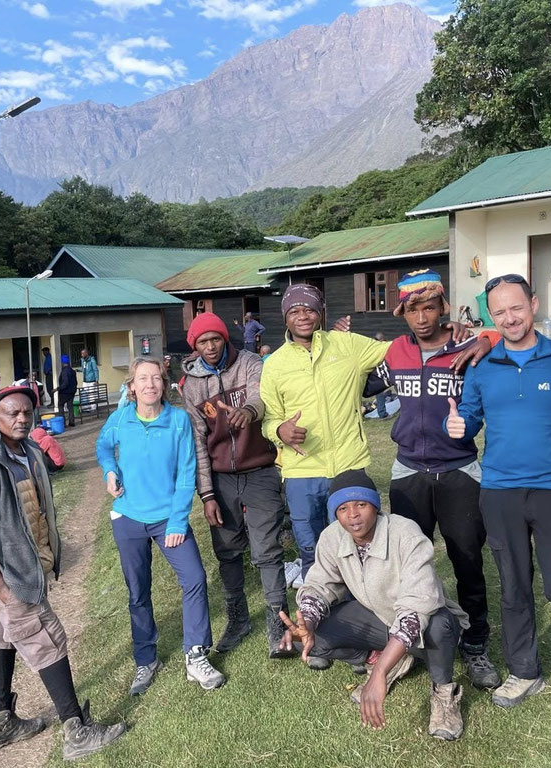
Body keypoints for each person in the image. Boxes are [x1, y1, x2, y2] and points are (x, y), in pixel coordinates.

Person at [446, 274, 551, 714]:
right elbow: (469, 417)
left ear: (534, 304)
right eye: (499, 312)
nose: (509, 318)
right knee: (513, 587)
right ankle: (523, 670)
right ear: (491, 316)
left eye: (516, 308)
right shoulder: (482, 365)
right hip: (500, 492)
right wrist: (458, 426)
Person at [0, 385, 126, 760]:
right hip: (8, 579)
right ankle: (76, 731)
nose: (21, 419)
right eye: (12, 413)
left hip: (23, 570)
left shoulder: (28, 450)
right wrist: (3, 590)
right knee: (48, 639)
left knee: (4, 638)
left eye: (26, 413)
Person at [365, 269, 500, 691]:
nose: (421, 318)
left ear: (443, 307)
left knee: (467, 560)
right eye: (412, 310)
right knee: (406, 564)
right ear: (402, 314)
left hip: (459, 470)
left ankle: (475, 644)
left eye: (429, 308)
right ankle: (409, 642)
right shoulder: (396, 352)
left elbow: (512, 338)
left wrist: (487, 336)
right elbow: (364, 382)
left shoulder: (466, 347)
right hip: (409, 472)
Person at [280, 470, 469, 741]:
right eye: (343, 508)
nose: (353, 515)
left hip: (425, 623)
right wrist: (307, 622)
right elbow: (320, 584)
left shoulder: (405, 533)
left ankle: (443, 694)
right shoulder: (332, 537)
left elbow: (418, 606)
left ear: (376, 506)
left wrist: (378, 675)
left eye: (361, 504)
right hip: (380, 618)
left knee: (439, 624)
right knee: (308, 641)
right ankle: (392, 659)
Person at [96, 356, 227, 696]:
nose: (150, 384)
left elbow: (186, 473)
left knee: (194, 578)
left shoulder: (178, 420)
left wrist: (178, 521)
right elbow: (103, 447)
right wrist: (110, 470)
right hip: (128, 518)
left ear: (164, 384)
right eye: (143, 378)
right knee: (138, 591)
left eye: (156, 377)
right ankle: (146, 659)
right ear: (132, 386)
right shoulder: (120, 418)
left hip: (167, 518)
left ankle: (195, 654)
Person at [180, 313, 295, 658]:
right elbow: (198, 442)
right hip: (220, 479)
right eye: (203, 342)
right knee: (227, 551)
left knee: (267, 551)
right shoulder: (191, 386)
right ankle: (238, 619)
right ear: (195, 346)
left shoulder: (248, 362)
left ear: (224, 338)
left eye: (215, 339)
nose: (210, 346)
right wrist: (207, 495)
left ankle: (278, 625)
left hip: (259, 469)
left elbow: (260, 396)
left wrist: (248, 410)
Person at [259, 283, 389, 586]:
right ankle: (319, 611)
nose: (302, 316)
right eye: (294, 311)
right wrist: (280, 430)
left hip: (348, 465)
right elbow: (268, 420)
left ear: (320, 313)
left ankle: (363, 609)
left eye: (309, 309)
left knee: (358, 548)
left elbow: (398, 351)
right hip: (301, 472)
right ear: (285, 317)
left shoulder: (347, 345)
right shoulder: (275, 364)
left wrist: (458, 334)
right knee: (311, 550)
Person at [57, 354, 77, 428]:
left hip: (65, 392)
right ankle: (72, 422)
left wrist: (58, 389)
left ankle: (63, 423)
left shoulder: (64, 371)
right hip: (72, 392)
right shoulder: (72, 371)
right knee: (70, 406)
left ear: (62, 362)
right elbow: (76, 382)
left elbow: (65, 383)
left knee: (60, 405)